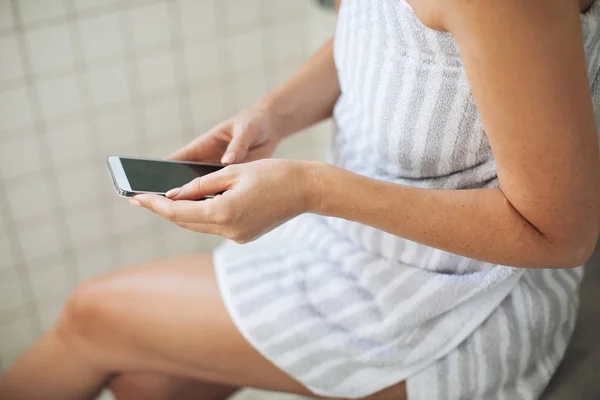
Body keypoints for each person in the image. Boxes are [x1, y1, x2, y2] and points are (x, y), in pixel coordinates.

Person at [1, 0, 599, 399]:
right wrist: (271, 114)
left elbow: (561, 234)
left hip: (458, 301)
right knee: (148, 383)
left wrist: (313, 189)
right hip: (358, 248)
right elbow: (370, 26)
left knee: (91, 316)